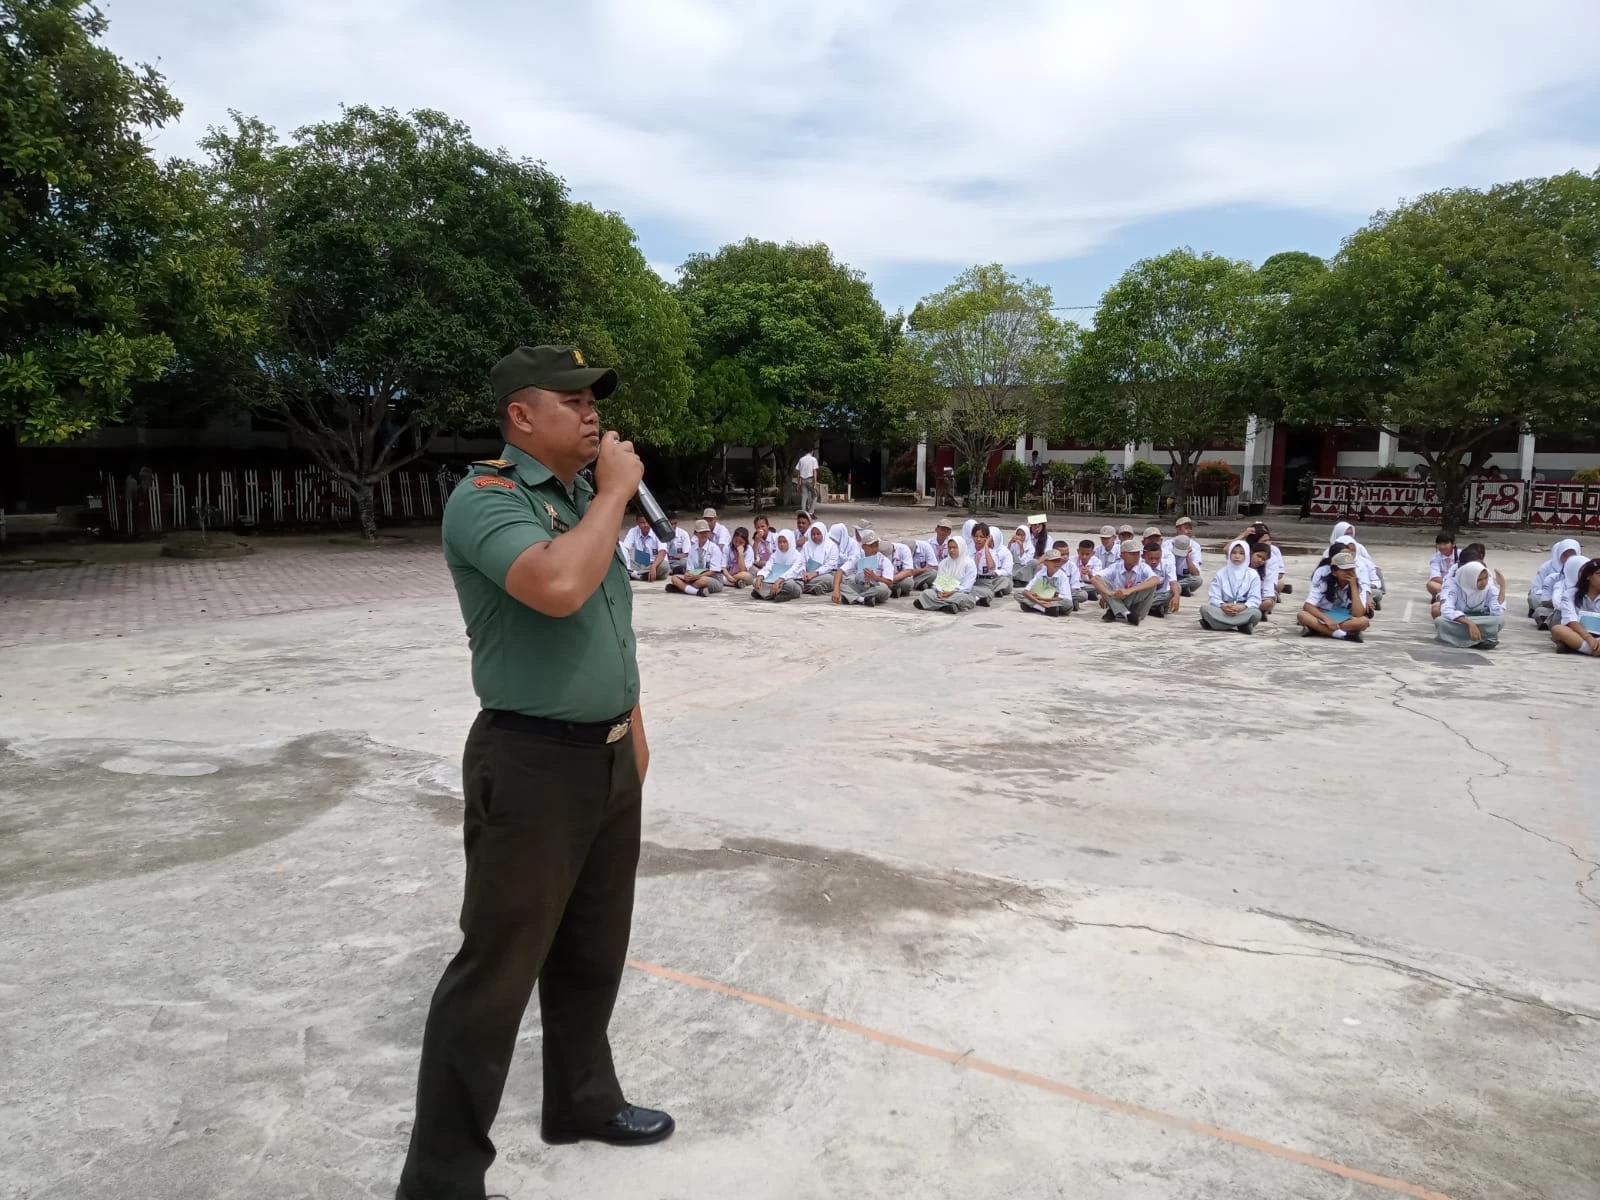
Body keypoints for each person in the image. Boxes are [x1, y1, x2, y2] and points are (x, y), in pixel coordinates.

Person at [398, 345, 671, 1200]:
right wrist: (621, 493)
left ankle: (583, 1101)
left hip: (608, 756)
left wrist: (633, 724)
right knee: (496, 971)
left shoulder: (585, 499)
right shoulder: (487, 501)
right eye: (573, 399)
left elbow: (605, 627)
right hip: (530, 764)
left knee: (594, 949)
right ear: (521, 415)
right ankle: (441, 1179)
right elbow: (555, 586)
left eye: (596, 400)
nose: (592, 413)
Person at [1299, 549, 1370, 641]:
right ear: (1334, 572)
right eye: (1344, 569)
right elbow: (1308, 606)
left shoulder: (1358, 585)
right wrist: (1326, 619)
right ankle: (1342, 635)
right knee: (1302, 615)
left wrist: (1353, 586)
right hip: (1323, 615)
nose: (1349, 572)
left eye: (1351, 569)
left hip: (1344, 618)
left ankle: (1318, 629)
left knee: (1364, 621)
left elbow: (1358, 614)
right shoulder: (1323, 581)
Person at [1435, 561, 1505, 649]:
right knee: (1440, 621)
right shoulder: (1455, 586)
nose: (1483, 582)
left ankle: (1463, 639)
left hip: (1481, 619)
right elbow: (1446, 610)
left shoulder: (1489, 588)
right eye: (1479, 580)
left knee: (1499, 620)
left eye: (1485, 578)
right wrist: (1469, 623)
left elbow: (1497, 611)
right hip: (1461, 621)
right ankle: (1481, 639)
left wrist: (1502, 587)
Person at [1200, 539, 1263, 633]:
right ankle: (1242, 625)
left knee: (1256, 613)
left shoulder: (1253, 574)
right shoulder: (1221, 573)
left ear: (1246, 555)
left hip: (1243, 610)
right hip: (1223, 609)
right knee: (1205, 609)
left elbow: (1255, 598)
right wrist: (1223, 606)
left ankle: (1217, 624)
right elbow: (1214, 596)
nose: (1237, 556)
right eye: (1234, 552)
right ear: (1229, 554)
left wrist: (1242, 607)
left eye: (1241, 553)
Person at [1094, 541, 1160, 625]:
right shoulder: (1116, 566)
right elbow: (1095, 579)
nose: (1136, 557)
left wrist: (1131, 590)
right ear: (1122, 556)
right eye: (1132, 554)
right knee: (1102, 580)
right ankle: (1125, 613)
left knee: (1151, 584)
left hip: (1136, 607)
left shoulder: (1143, 567)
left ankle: (1115, 611)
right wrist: (1108, 594)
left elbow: (1156, 580)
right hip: (1119, 599)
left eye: (1137, 554)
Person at [913, 534, 979, 613]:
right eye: (950, 548)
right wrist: (940, 591)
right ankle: (947, 606)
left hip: (959, 593)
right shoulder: (944, 563)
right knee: (926, 593)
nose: (951, 550)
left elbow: (967, 587)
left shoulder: (969, 563)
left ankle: (932, 604)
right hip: (943, 593)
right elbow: (939, 582)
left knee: (964, 598)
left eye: (954, 548)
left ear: (961, 548)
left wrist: (952, 591)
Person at [1551, 557, 1600, 656]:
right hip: (1580, 634)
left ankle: (1581, 648)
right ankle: (1593, 650)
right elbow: (1571, 620)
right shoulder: (1571, 594)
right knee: (1558, 629)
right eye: (1599, 575)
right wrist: (1589, 638)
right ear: (1588, 576)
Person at [1529, 538, 1582, 629]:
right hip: (1554, 603)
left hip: (1575, 608)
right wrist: (1554, 599)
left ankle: (1550, 621)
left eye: (1572, 556)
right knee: (1535, 602)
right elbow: (1537, 588)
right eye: (1565, 556)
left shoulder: (1582, 569)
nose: (1568, 559)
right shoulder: (1551, 573)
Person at [1331, 521, 1384, 608]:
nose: (1350, 553)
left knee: (1376, 594)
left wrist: (1364, 593)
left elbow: (1366, 581)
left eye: (1350, 534)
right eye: (1346, 534)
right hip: (1337, 592)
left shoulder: (1361, 561)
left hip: (1358, 591)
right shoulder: (1329, 556)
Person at [665, 520, 726, 595]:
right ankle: (697, 592)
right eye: (701, 532)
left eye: (705, 532)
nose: (704, 535)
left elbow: (713, 571)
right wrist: (688, 575)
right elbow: (689, 569)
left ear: (709, 533)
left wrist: (697, 577)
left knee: (702, 581)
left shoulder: (714, 548)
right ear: (696, 534)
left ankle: (682, 588)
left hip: (713, 578)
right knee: (674, 578)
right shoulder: (693, 549)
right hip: (695, 576)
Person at [834, 530, 894, 606]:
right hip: (860, 586)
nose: (874, 549)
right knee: (839, 580)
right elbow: (840, 571)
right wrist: (836, 590)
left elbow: (890, 583)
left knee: (884, 589)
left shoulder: (883, 560)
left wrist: (875, 577)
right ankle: (862, 599)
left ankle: (854, 597)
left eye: (876, 545)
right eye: (871, 546)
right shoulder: (858, 557)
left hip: (875, 588)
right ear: (863, 547)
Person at [1017, 546, 1074, 616]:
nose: (1057, 563)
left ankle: (1036, 607)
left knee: (1068, 603)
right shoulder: (1040, 573)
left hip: (1054, 601)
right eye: (1053, 561)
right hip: (1041, 600)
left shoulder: (1062, 576)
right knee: (1018, 595)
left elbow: (1061, 598)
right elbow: (1026, 591)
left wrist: (1041, 599)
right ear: (1046, 562)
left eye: (1058, 560)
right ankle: (1045, 609)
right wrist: (1039, 601)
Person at [751, 530, 803, 602]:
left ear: (790, 542)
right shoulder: (775, 555)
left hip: (791, 581)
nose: (781, 544)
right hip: (773, 581)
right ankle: (777, 593)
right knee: (755, 581)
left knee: (789, 585)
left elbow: (793, 571)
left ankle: (767, 593)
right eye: (779, 542)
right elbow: (768, 567)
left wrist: (779, 581)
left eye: (784, 542)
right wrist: (760, 577)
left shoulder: (798, 556)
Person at [969, 523, 1012, 606]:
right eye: (976, 536)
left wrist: (986, 546)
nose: (978, 539)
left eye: (981, 537)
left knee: (972, 590)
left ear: (987, 538)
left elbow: (991, 566)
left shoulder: (991, 552)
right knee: (964, 588)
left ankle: (975, 598)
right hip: (971, 581)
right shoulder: (969, 550)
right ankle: (976, 599)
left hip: (985, 584)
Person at [619, 512, 665, 582]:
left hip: (654, 562)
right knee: (624, 561)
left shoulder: (659, 531)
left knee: (665, 567)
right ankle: (641, 575)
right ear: (637, 522)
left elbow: (662, 552)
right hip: (640, 561)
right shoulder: (633, 531)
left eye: (647, 522)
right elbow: (625, 548)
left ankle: (634, 574)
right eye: (642, 523)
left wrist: (654, 566)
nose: (645, 525)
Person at [1141, 540, 1181, 617]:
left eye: (1157, 558)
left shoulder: (1167, 564)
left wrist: (1176, 596)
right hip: (1144, 596)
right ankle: (1153, 608)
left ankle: (1147, 608)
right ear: (1143, 556)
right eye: (1151, 558)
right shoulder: (1139, 565)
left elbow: (1173, 582)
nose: (1154, 561)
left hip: (1161, 596)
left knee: (1177, 588)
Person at [799, 523, 839, 595]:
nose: (815, 536)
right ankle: (810, 587)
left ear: (823, 533)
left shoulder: (831, 546)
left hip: (823, 574)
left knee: (830, 579)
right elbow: (801, 560)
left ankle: (803, 587)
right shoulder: (807, 545)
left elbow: (831, 565)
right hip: (807, 575)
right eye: (813, 534)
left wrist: (815, 573)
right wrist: (804, 572)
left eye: (818, 534)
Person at [913, 520, 954, 589]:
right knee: (932, 574)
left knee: (951, 581)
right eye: (942, 529)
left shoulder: (952, 544)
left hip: (946, 571)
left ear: (950, 533)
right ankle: (921, 583)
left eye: (947, 530)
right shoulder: (928, 543)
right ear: (936, 529)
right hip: (931, 570)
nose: (944, 532)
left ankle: (921, 583)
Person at [1168, 518, 1204, 595]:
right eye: (1186, 528)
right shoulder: (1168, 544)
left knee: (1198, 581)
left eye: (1191, 528)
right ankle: (1180, 588)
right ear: (1178, 529)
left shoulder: (1195, 546)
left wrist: (1187, 556)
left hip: (1184, 579)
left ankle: (1175, 587)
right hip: (1169, 577)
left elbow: (1196, 573)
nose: (1189, 531)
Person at [1426, 532, 1458, 603]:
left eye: (1445, 544)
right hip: (1443, 584)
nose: (1442, 546)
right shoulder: (1435, 557)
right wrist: (1449, 584)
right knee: (1430, 584)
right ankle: (1448, 596)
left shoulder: (1461, 555)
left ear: (1453, 544)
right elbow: (1435, 577)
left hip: (1459, 585)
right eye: (1439, 544)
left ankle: (1442, 596)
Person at [795, 447, 820, 512]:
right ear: (812, 451)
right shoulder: (813, 459)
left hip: (803, 480)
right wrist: (815, 482)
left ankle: (803, 512)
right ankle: (811, 512)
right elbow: (814, 471)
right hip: (810, 480)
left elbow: (798, 472)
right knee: (815, 496)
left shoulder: (801, 459)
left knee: (804, 497)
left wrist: (798, 483)